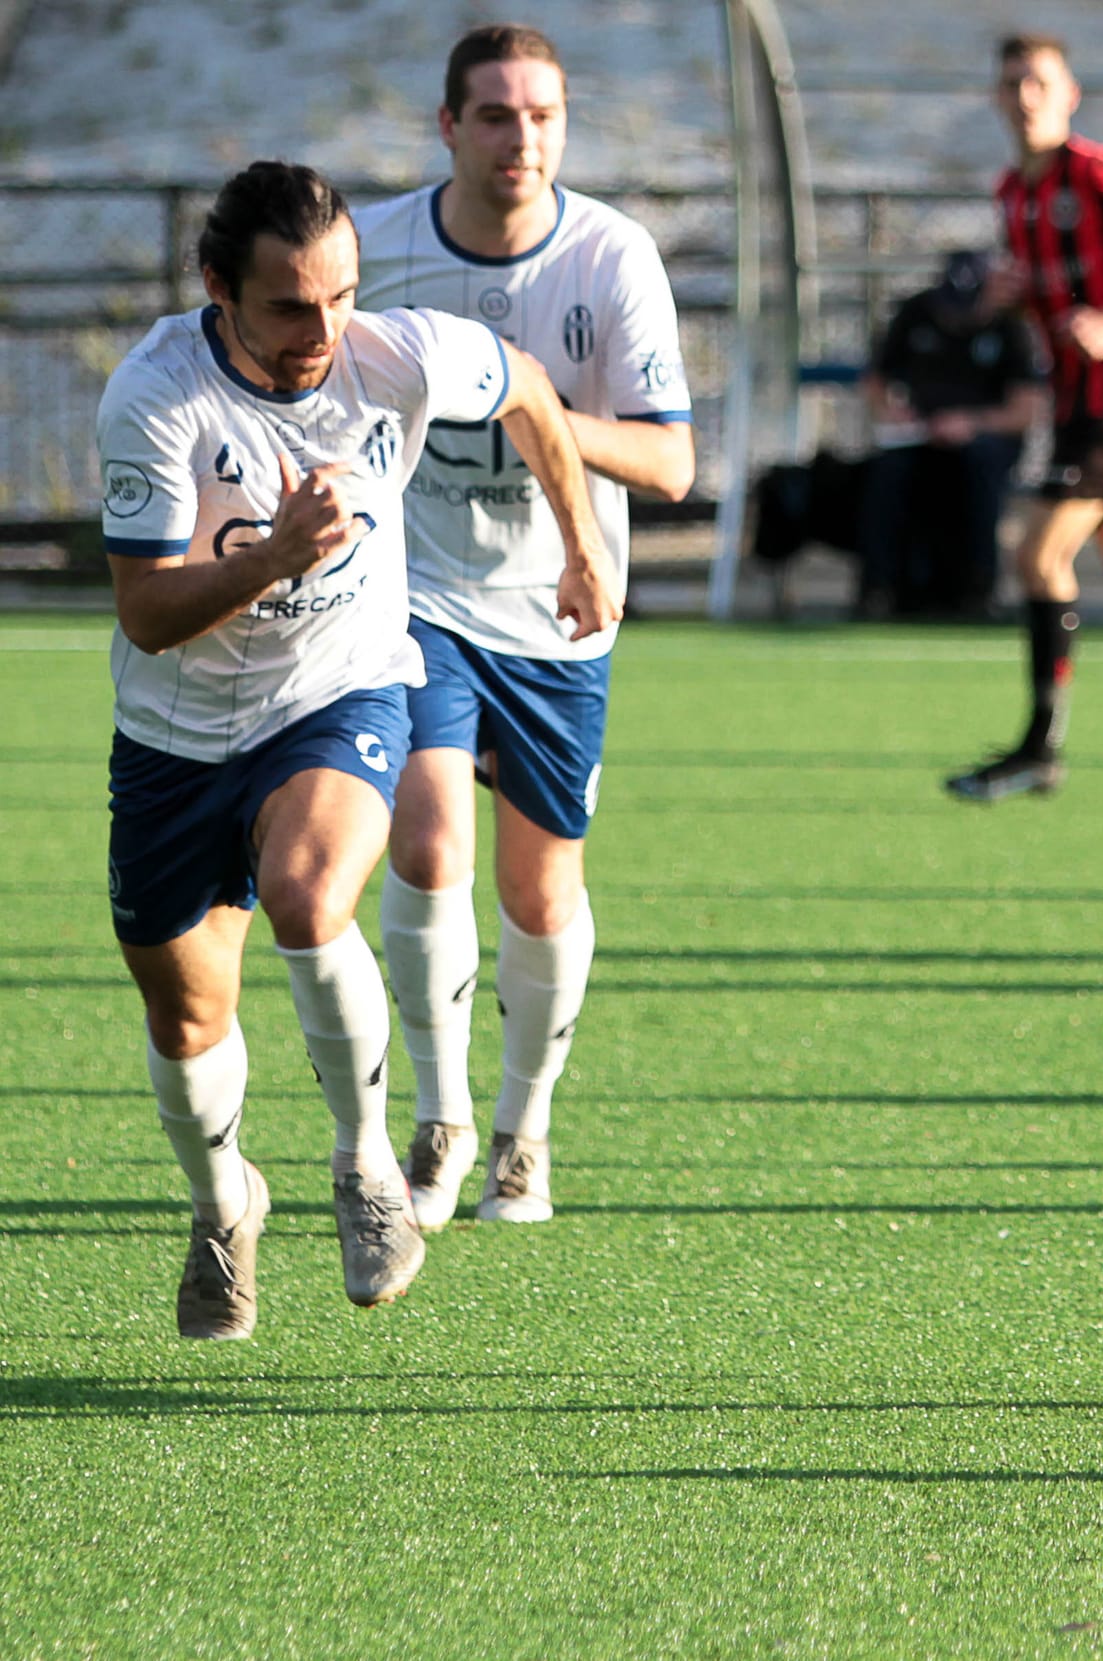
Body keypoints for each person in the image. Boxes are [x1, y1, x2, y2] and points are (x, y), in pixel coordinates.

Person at [99, 160, 612, 1338]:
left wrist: (581, 543)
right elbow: (147, 611)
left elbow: (529, 390)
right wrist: (273, 559)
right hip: (174, 738)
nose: (320, 331)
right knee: (185, 1023)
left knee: (306, 890)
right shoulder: (155, 396)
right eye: (288, 305)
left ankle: (366, 1162)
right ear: (218, 288)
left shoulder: (396, 354)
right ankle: (227, 1201)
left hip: (342, 691)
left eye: (340, 296)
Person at [352, 25, 694, 1233]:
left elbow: (668, 458)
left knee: (541, 890)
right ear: (448, 127)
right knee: (430, 837)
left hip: (560, 603)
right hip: (414, 594)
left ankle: (522, 1130)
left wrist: (529, 401)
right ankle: (438, 1123)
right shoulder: (377, 246)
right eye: (494, 115)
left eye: (542, 114)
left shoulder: (609, 254)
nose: (522, 137)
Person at [943, 30, 1103, 802]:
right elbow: (1037, 287)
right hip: (1069, 401)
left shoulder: (1096, 170)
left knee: (1040, 555)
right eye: (1013, 83)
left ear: (1069, 94)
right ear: (996, 98)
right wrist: (1006, 298)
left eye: (1039, 82)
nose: (1024, 96)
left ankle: (1040, 748)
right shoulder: (1013, 192)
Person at [857, 249, 1040, 618]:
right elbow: (876, 381)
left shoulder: (1011, 326)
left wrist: (971, 423)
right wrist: (894, 414)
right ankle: (881, 587)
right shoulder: (917, 313)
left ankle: (978, 589)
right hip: (921, 436)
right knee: (885, 473)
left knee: (980, 468)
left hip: (983, 438)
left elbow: (1025, 411)